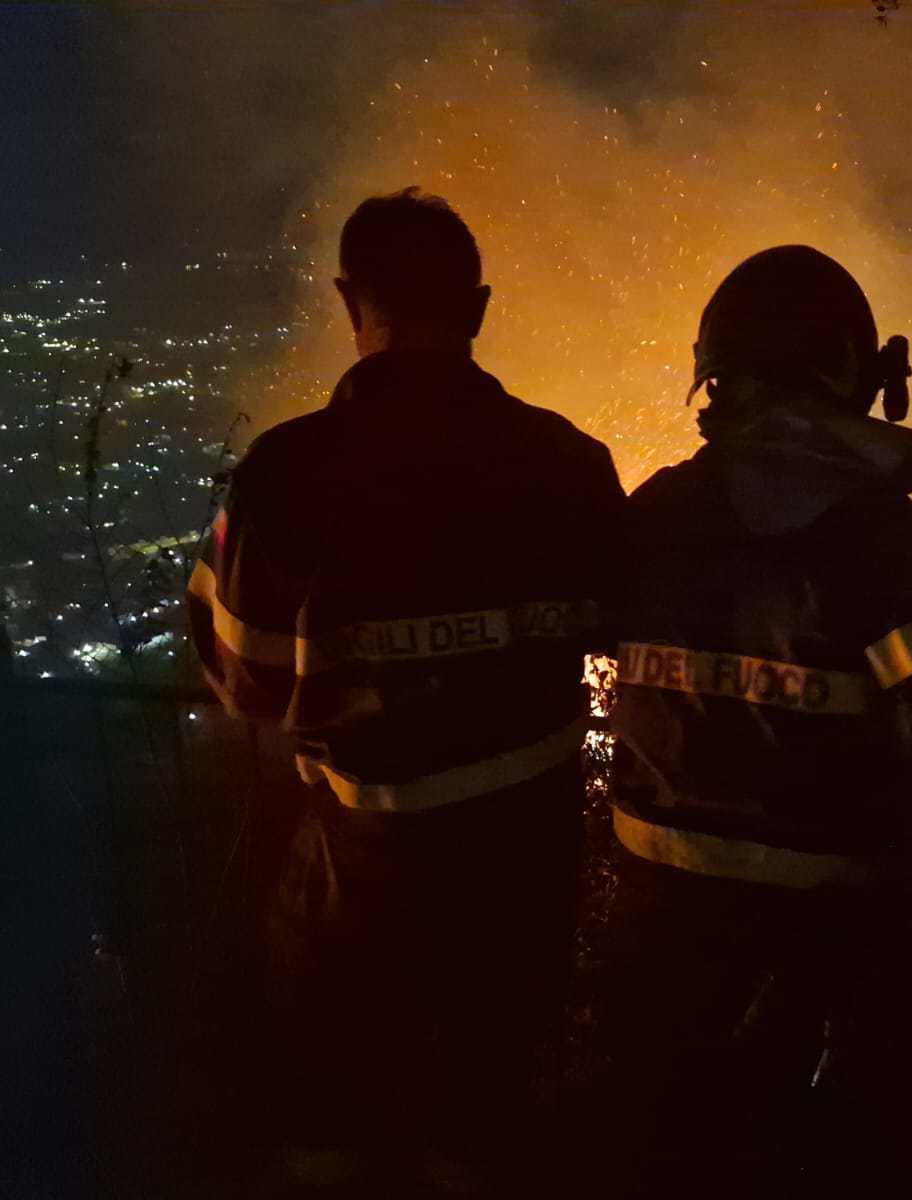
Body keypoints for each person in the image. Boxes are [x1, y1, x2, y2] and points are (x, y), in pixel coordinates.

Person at [187, 188, 624, 1189]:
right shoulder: (571, 463)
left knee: (335, 1132)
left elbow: (243, 677)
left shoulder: (286, 475)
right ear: (478, 309)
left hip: (362, 874)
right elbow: (615, 619)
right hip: (527, 878)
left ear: (352, 301)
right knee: (485, 1135)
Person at [603, 245, 912, 1190]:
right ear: (857, 374)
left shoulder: (658, 509)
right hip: (825, 922)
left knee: (660, 1139)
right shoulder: (885, 532)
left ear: (715, 377)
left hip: (654, 901)